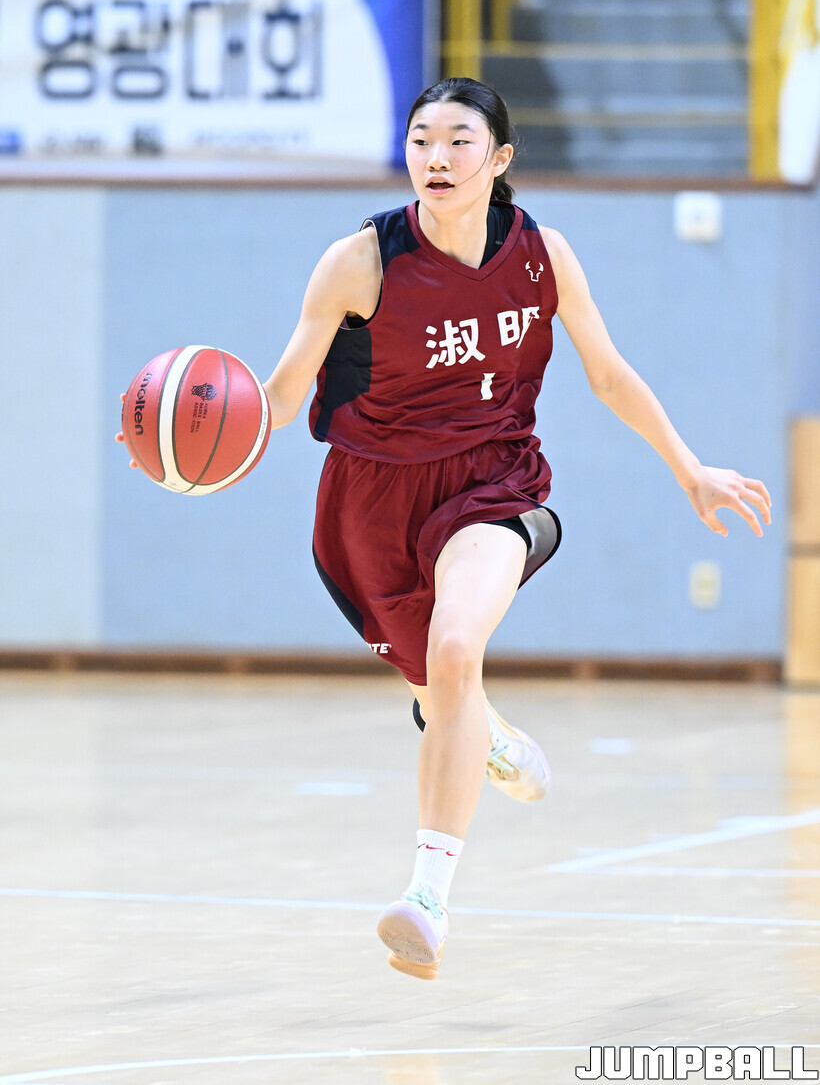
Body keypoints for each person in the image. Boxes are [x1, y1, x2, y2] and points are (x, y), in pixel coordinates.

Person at [118, 77, 772, 981]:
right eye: (422, 139)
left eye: (460, 141)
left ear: (499, 159)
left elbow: (609, 374)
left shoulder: (542, 255)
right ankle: (486, 733)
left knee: (457, 646)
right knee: (444, 685)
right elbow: (277, 397)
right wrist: (182, 449)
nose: (437, 157)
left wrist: (689, 466)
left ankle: (427, 897)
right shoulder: (359, 262)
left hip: (492, 483)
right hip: (370, 503)